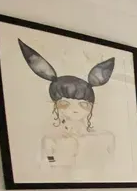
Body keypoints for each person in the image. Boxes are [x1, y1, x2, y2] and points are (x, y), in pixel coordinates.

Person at [18, 40, 116, 173]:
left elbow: (113, 167)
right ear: (56, 106)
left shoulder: (106, 138)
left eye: (83, 104)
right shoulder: (50, 141)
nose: (74, 109)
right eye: (65, 104)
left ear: (91, 106)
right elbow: (48, 167)